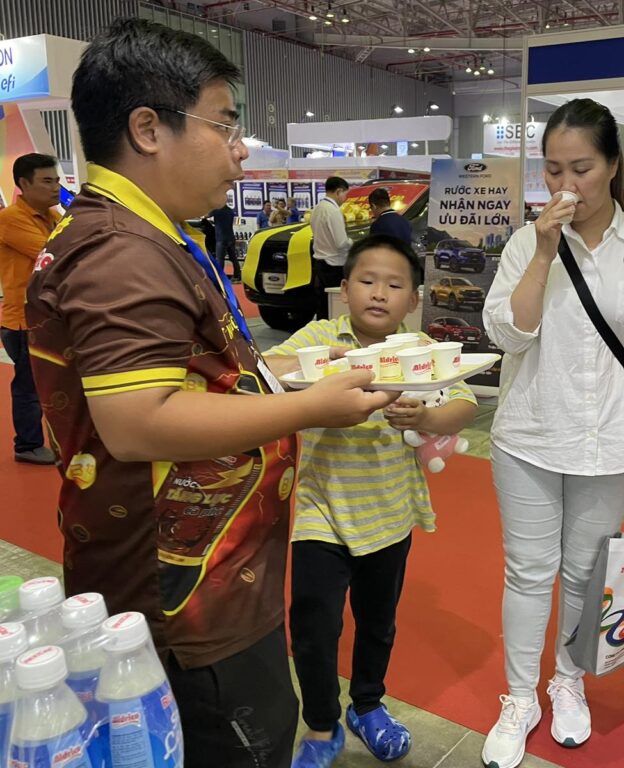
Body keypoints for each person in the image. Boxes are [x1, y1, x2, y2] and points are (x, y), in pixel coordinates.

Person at [24, 18, 397, 768]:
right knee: (236, 739)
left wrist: (285, 374)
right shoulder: (123, 250)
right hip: (183, 589)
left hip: (204, 566)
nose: (240, 151)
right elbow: (139, 420)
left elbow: (188, 373)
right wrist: (314, 407)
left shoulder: (146, 233)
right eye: (225, 125)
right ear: (147, 129)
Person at [481, 98, 624, 768]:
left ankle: (567, 680)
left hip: (612, 439)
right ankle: (520, 697)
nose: (565, 184)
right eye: (553, 169)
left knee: (583, 572)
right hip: (529, 432)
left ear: (613, 167)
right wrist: (544, 251)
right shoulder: (528, 241)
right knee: (528, 572)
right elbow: (507, 333)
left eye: (581, 168)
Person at [264, 234, 477, 768]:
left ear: (414, 299)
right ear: (344, 289)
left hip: (390, 513)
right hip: (321, 513)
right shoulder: (322, 336)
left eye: (394, 284)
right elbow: (265, 366)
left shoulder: (420, 350)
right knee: (314, 626)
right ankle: (321, 725)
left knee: (377, 621)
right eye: (366, 280)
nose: (379, 293)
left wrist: (427, 416)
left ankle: (366, 704)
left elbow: (465, 402)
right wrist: (325, 367)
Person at [0, 153, 61, 465]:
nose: (56, 187)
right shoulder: (11, 219)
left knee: (53, 384)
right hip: (23, 321)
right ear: (24, 184)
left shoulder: (52, 215)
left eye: (57, 180)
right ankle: (27, 444)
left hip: (49, 317)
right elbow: (53, 255)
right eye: (47, 181)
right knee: (29, 387)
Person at [310, 175, 353, 320]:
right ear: (339, 191)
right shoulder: (333, 211)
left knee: (322, 307)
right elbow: (341, 243)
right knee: (336, 308)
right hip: (334, 266)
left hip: (320, 263)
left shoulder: (317, 209)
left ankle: (322, 332)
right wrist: (353, 243)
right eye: (345, 194)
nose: (345, 199)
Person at [211, 203, 242, 280]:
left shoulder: (216, 210)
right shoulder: (230, 211)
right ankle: (237, 276)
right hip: (230, 237)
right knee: (234, 258)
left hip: (221, 238)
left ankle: (220, 277)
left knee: (220, 259)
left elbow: (205, 216)